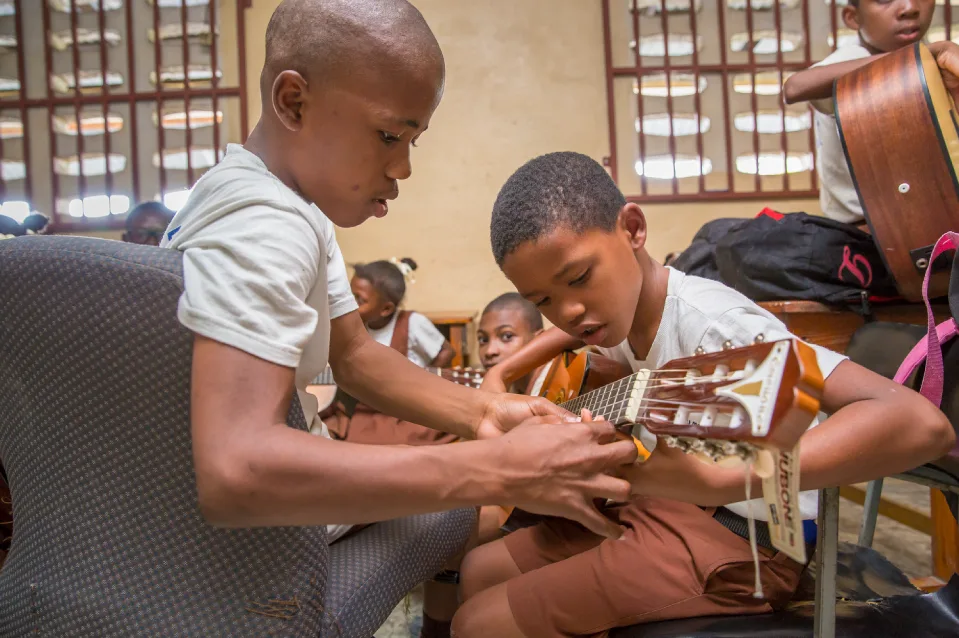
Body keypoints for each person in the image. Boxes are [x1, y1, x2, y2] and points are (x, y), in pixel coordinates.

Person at [159, 0, 637, 557]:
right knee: (509, 520)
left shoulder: (270, 201)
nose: (402, 168)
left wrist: (484, 412)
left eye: (413, 142)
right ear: (293, 102)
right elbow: (237, 470)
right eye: (389, 136)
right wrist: (491, 468)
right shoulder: (266, 225)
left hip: (257, 521)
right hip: (280, 537)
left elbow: (355, 354)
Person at [451, 151, 955, 638]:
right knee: (480, 568)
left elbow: (917, 423)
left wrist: (721, 481)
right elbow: (570, 327)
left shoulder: (718, 327)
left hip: (748, 542)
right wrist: (506, 374)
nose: (570, 311)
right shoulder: (621, 313)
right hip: (667, 507)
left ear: (632, 229)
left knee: (480, 624)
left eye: (580, 278)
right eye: (543, 301)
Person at [783, 0, 936, 224]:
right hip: (864, 235)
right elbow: (795, 87)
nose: (909, 8)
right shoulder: (853, 58)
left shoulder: (928, 57)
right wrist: (920, 57)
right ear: (854, 18)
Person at [352, 257, 454, 367]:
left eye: (360, 300)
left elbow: (447, 352)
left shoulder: (413, 323)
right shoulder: (358, 326)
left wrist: (424, 378)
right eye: (349, 295)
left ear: (386, 309)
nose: (349, 303)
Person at [477, 292, 546, 395]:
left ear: (538, 339)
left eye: (507, 336)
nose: (489, 351)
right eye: (483, 340)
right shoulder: (509, 389)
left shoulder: (559, 380)